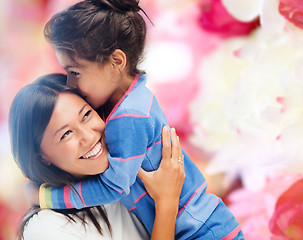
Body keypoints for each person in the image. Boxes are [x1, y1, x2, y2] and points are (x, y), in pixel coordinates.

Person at [40, 0, 244, 239]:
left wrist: (47, 196)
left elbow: (113, 186)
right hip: (202, 223)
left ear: (116, 62)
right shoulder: (134, 95)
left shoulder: (128, 118)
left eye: (74, 72)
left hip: (202, 231)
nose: (70, 84)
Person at [10, 73, 185, 240]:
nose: (88, 137)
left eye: (86, 115)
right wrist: (167, 202)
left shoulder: (127, 171)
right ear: (42, 157)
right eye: (66, 134)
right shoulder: (46, 228)